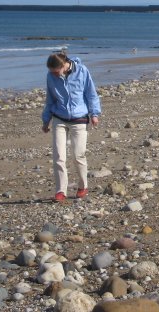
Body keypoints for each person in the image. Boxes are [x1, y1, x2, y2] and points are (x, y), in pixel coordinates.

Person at [42, 52, 101, 203]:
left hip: (79, 119)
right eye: (51, 72)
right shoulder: (51, 77)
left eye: (55, 71)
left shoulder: (82, 71)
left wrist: (94, 114)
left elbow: (91, 94)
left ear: (63, 66)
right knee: (59, 157)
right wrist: (46, 119)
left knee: (78, 155)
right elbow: (50, 99)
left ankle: (82, 186)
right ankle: (61, 190)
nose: (53, 74)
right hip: (59, 119)